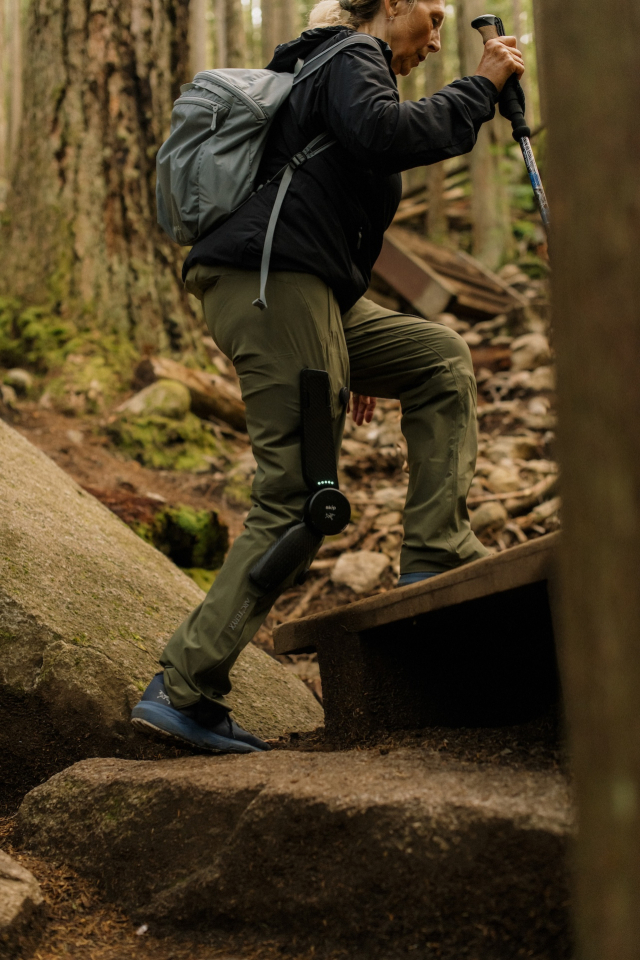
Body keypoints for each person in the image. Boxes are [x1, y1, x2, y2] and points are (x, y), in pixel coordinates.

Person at [131, 0, 525, 753]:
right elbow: (384, 136)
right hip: (270, 286)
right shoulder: (350, 53)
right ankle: (183, 689)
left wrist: (341, 327)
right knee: (300, 501)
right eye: (433, 17)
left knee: (439, 357)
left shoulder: (334, 70)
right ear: (392, 4)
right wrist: (480, 88)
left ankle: (437, 545)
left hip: (302, 290)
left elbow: (319, 207)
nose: (439, 39)